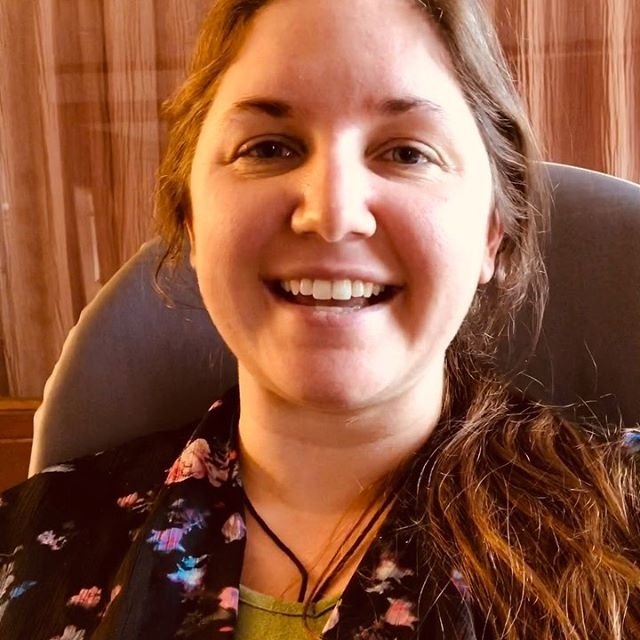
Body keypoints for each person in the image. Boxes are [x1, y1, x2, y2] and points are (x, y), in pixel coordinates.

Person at [1, 0, 639, 638]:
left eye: (407, 153)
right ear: (191, 220)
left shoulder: (624, 530)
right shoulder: (22, 545)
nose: (332, 213)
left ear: (492, 233)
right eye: (268, 148)